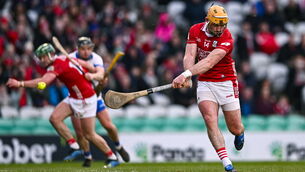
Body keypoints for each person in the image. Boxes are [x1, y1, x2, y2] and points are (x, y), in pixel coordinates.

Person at [6, 43, 120, 168]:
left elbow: (43, 83)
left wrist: (20, 83)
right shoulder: (63, 58)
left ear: (50, 55)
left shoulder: (57, 64)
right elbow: (86, 64)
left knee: (89, 135)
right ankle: (74, 146)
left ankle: (112, 156)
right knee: (54, 118)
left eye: (43, 57)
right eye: (40, 58)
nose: (41, 60)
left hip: (85, 99)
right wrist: (94, 71)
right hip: (73, 97)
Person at [172, 5, 244, 172]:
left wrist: (186, 74)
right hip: (205, 82)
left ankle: (240, 132)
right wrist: (187, 75)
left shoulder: (228, 38)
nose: (219, 29)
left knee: (235, 128)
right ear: (207, 21)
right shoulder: (195, 30)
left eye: (222, 24)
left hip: (226, 82)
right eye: (216, 24)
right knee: (210, 119)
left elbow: (209, 62)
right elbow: (190, 55)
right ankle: (227, 163)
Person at [63, 37, 130, 165]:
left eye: (89, 49)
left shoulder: (96, 58)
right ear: (77, 48)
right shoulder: (70, 57)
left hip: (94, 97)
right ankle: (88, 157)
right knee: (80, 132)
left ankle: (118, 147)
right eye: (83, 49)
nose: (86, 52)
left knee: (108, 125)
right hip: (76, 98)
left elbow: (100, 75)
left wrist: (94, 77)